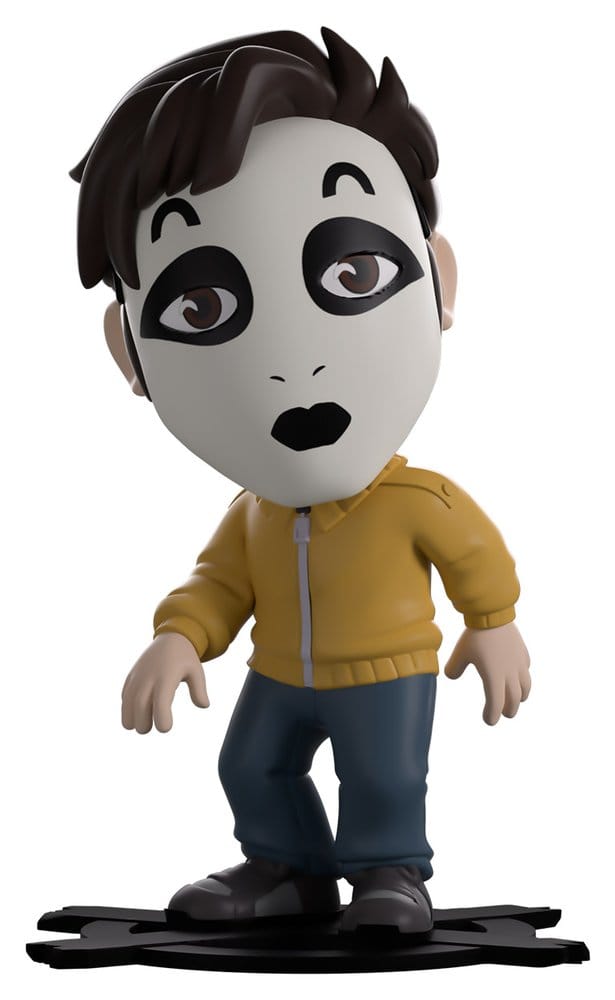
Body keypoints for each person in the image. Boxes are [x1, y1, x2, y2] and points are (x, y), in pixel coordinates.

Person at [71, 27, 531, 934]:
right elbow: (218, 585)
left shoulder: (418, 502)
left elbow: (476, 558)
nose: (293, 364)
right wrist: (178, 637)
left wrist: (495, 625)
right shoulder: (252, 516)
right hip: (278, 671)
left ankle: (390, 875)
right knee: (249, 765)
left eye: (354, 271)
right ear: (131, 354)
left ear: (438, 282)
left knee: (384, 777)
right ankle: (285, 868)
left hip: (386, 674)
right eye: (200, 306)